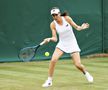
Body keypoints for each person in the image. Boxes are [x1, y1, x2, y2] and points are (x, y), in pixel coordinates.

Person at [42, 7, 93, 87]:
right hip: (62, 44)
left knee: (77, 65)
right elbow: (55, 39)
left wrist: (82, 27)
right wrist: (49, 39)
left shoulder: (67, 18)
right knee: (53, 60)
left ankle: (86, 73)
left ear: (59, 14)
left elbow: (77, 27)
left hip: (72, 43)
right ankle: (49, 81)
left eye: (56, 15)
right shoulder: (52, 24)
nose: (54, 17)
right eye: (53, 15)